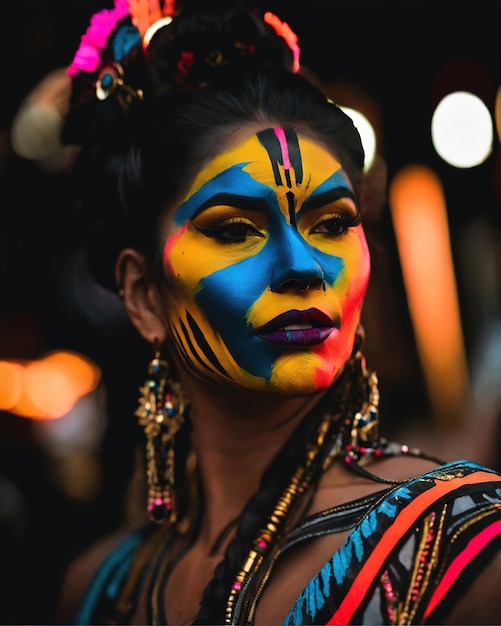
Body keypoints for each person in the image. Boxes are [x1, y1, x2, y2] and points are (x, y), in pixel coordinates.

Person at [56, 1, 501, 624]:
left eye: (333, 223)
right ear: (143, 294)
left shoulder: (465, 553)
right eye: (236, 229)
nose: (303, 267)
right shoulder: (100, 590)